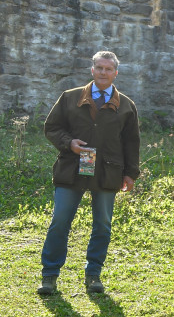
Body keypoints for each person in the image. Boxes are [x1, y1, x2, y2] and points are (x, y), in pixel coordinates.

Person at [38, 50, 141, 295]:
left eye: (108, 69)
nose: (103, 72)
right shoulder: (69, 97)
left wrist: (130, 174)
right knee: (60, 221)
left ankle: (93, 274)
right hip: (71, 169)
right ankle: (49, 276)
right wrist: (69, 143)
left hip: (108, 172)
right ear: (92, 70)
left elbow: (131, 142)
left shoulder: (126, 106)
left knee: (103, 225)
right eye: (99, 68)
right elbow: (51, 127)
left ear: (115, 73)